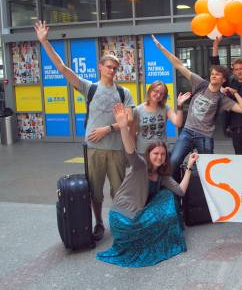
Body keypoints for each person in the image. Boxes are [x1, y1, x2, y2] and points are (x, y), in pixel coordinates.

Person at [35, 20, 134, 242]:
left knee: (118, 191)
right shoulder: (89, 88)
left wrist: (108, 128)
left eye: (115, 68)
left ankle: (117, 223)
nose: (112, 70)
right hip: (94, 150)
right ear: (100, 67)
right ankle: (98, 222)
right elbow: (63, 68)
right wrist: (44, 42)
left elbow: (127, 120)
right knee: (95, 192)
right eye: (108, 66)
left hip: (117, 148)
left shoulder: (123, 92)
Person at [96, 103, 197, 267]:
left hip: (135, 216)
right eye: (155, 153)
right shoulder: (140, 165)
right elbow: (130, 150)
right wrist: (123, 127)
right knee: (165, 199)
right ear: (148, 154)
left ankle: (155, 233)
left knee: (168, 195)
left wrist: (189, 166)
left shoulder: (162, 175)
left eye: (163, 154)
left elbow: (180, 191)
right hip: (122, 219)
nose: (159, 157)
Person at [151, 34, 242, 170]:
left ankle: (204, 191)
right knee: (173, 162)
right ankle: (173, 189)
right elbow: (179, 65)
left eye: (217, 74)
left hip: (205, 136)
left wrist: (236, 93)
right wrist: (161, 48)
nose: (213, 75)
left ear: (223, 80)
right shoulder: (200, 83)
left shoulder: (222, 98)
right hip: (187, 131)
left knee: (207, 169)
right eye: (212, 73)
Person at [131, 80, 191, 155]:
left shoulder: (166, 108)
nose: (158, 95)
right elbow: (132, 133)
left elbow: (178, 123)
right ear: (150, 91)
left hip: (161, 152)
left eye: (162, 93)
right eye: (156, 91)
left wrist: (180, 105)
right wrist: (133, 152)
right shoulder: (137, 110)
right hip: (143, 152)